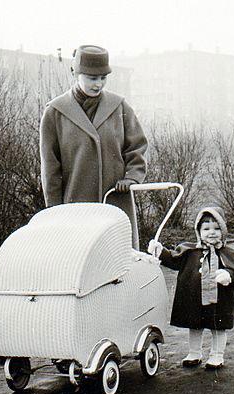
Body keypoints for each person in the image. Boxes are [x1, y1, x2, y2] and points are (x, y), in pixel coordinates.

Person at [40, 45, 147, 249]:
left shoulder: (119, 107)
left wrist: (131, 177)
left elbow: (137, 147)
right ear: (75, 73)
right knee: (81, 264)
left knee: (118, 264)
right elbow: (50, 169)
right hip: (76, 210)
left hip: (115, 203)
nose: (98, 84)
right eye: (92, 78)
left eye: (103, 78)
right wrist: (54, 213)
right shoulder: (55, 113)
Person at [148, 206, 234, 369]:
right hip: (195, 299)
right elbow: (173, 259)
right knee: (195, 326)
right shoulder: (190, 251)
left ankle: (217, 355)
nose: (212, 232)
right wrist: (160, 252)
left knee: (218, 327)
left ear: (223, 230)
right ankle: (194, 353)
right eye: (206, 228)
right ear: (199, 231)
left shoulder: (228, 253)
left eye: (217, 228)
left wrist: (228, 275)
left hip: (219, 299)